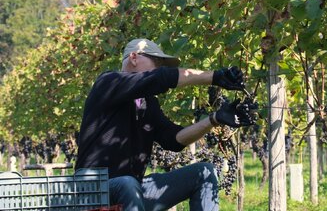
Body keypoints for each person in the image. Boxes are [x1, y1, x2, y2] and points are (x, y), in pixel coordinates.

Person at [75, 38, 255, 211]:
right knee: (127, 183)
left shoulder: (148, 104)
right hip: (93, 190)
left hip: (132, 191)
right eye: (156, 61)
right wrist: (216, 77)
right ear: (134, 58)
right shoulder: (108, 82)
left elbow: (173, 139)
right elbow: (159, 78)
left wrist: (214, 119)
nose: (159, 68)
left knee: (205, 172)